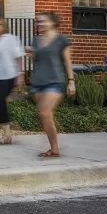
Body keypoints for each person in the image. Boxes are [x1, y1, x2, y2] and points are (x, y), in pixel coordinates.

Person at [27, 11, 75, 158]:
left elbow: (67, 61)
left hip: (55, 81)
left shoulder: (62, 40)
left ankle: (54, 149)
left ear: (52, 23)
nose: (39, 24)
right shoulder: (35, 40)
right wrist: (32, 54)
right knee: (45, 115)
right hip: (37, 82)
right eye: (37, 21)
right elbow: (37, 61)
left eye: (42, 21)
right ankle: (54, 145)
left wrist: (71, 81)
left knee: (44, 112)